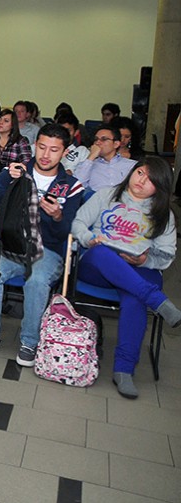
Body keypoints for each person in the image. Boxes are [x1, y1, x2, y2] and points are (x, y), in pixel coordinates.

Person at [0, 123, 83, 367]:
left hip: (48, 251)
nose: (46, 155)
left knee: (37, 280)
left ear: (64, 152)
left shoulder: (71, 186)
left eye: (54, 150)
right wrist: (5, 178)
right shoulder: (16, 171)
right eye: (42, 147)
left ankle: (30, 341)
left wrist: (57, 216)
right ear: (35, 145)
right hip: (13, 246)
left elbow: (65, 234)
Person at [71, 157, 179, 398]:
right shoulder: (106, 195)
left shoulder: (164, 214)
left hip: (139, 269)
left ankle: (124, 370)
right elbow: (78, 223)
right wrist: (89, 239)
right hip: (98, 265)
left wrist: (144, 260)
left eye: (150, 179)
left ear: (160, 187)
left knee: (134, 299)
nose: (141, 180)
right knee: (102, 252)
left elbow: (166, 255)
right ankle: (157, 300)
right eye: (139, 172)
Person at [73, 125, 136, 191]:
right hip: (96, 196)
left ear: (116, 144)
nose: (97, 142)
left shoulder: (131, 165)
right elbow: (76, 187)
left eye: (104, 139)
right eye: (96, 139)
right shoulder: (87, 165)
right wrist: (91, 156)